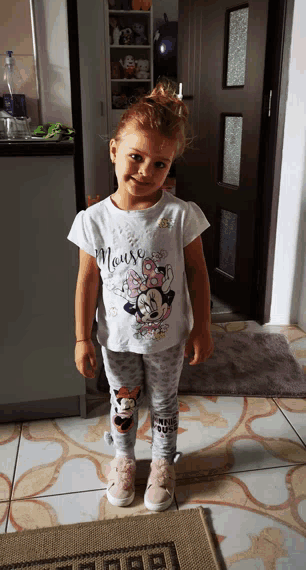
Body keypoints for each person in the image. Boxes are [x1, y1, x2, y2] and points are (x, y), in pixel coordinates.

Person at [67, 77, 214, 513]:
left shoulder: (180, 215)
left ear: (171, 167)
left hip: (168, 337)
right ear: (114, 151)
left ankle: (165, 461)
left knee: (166, 400)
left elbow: (198, 272)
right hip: (117, 338)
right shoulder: (93, 221)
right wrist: (82, 337)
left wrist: (203, 326)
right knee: (123, 399)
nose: (146, 172)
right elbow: (86, 282)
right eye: (136, 157)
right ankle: (125, 457)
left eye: (160, 164)